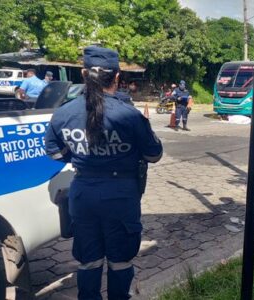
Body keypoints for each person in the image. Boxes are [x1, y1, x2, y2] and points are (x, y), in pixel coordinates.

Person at [44, 46, 163, 300]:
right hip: (121, 196)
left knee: (88, 261)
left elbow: (55, 153)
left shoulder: (63, 113)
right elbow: (154, 154)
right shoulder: (130, 115)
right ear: (117, 77)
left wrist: (82, 155)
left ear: (84, 74)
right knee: (120, 261)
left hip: (83, 193)